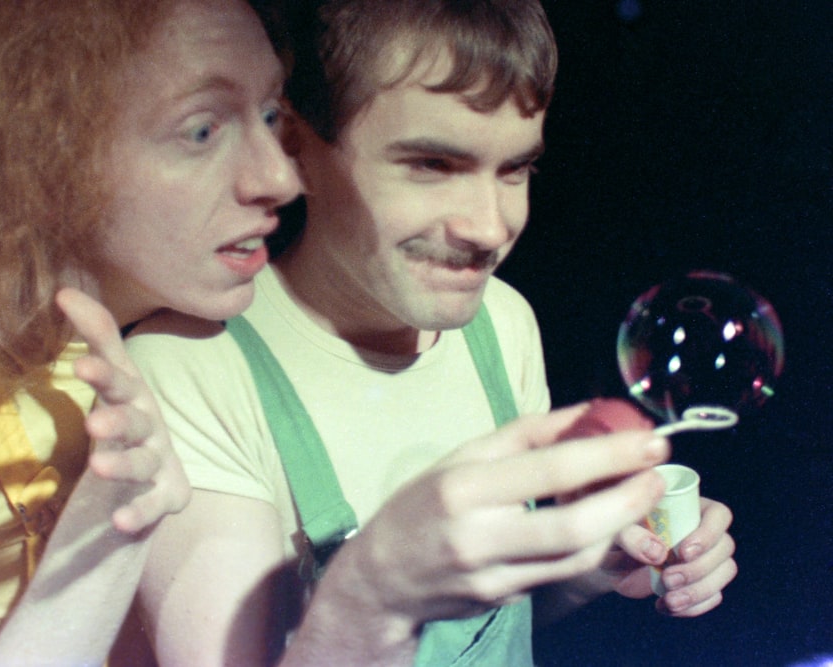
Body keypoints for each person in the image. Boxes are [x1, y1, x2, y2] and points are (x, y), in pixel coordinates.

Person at [125, 0, 738, 664]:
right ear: (295, 146)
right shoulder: (190, 370)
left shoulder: (500, 326)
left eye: (515, 170)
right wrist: (372, 589)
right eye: (430, 166)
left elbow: (501, 622)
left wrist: (598, 565)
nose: (488, 225)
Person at [0, 0, 300, 664]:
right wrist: (109, 532)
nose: (280, 177)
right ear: (36, 149)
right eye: (200, 131)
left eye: (272, 115)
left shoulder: (165, 334)